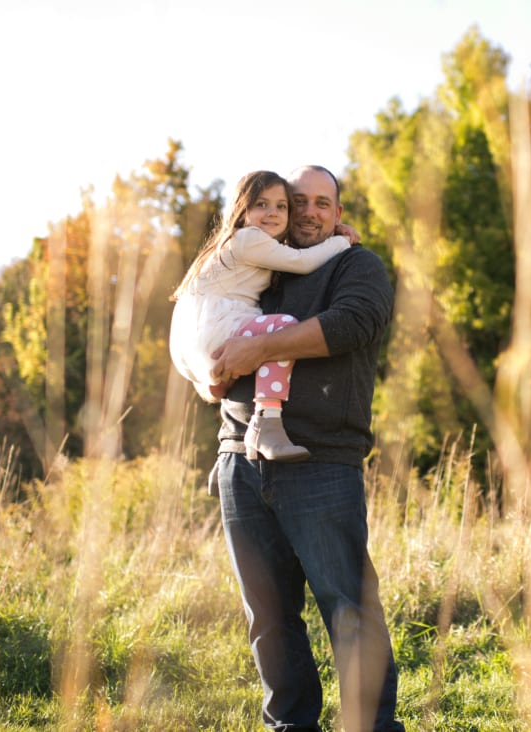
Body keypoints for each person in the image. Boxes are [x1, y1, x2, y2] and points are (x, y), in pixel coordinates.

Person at [208, 165, 404, 731]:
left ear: (338, 213)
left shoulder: (356, 265)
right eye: (300, 202)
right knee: (268, 616)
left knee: (348, 607)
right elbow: (207, 320)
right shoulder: (258, 265)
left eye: (324, 202)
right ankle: (290, 727)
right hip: (240, 459)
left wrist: (260, 348)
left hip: (320, 462)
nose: (311, 211)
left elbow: (353, 323)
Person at [169, 169, 355, 462]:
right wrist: (342, 241)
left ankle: (231, 449)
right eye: (261, 204)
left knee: (250, 360)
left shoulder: (245, 243)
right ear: (242, 209)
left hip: (197, 336)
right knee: (283, 329)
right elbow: (303, 262)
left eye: (281, 206)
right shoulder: (249, 239)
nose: (273, 213)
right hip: (217, 328)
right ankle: (266, 422)